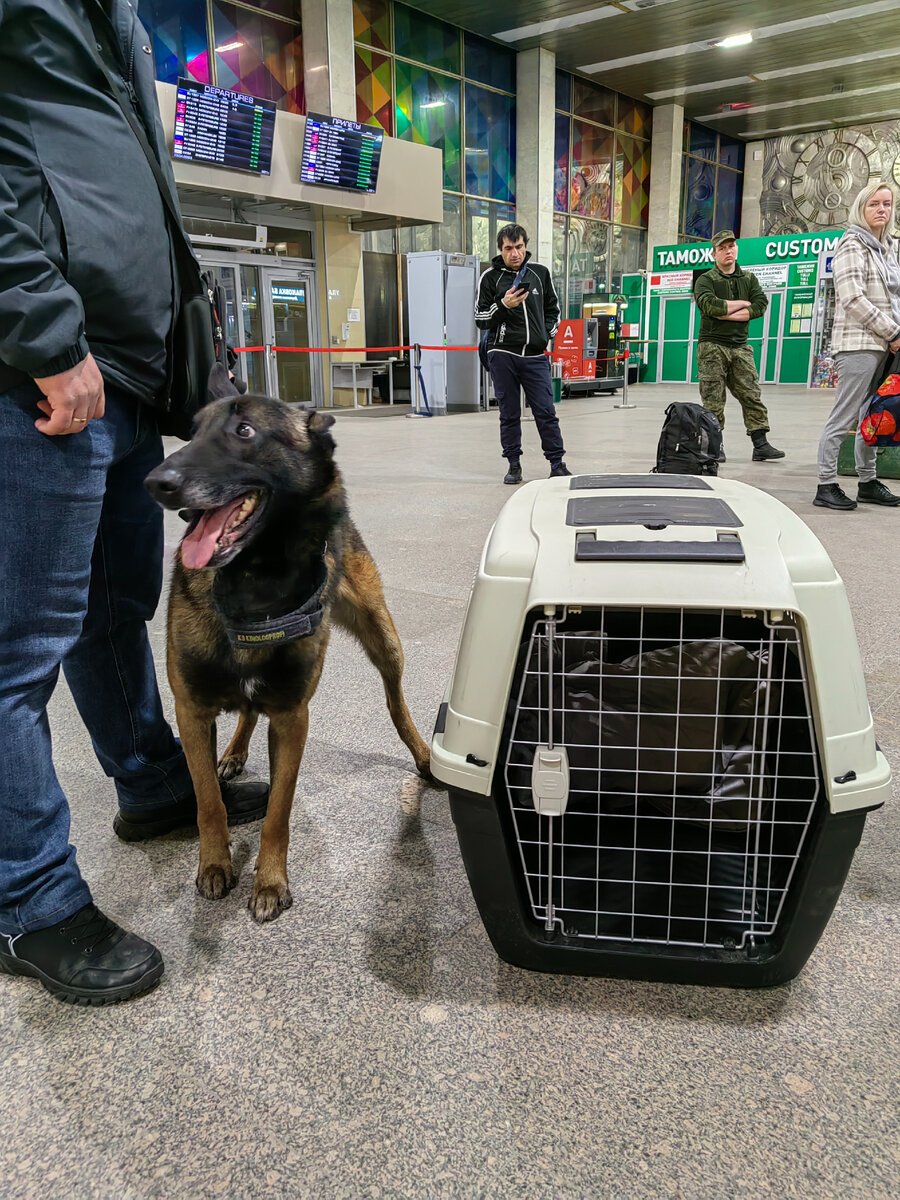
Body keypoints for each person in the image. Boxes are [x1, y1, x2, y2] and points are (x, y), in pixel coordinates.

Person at [0, 0, 266, 1005]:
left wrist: (190, 353)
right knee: (16, 653)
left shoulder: (109, 14)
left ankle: (153, 783)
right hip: (42, 371)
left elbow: (143, 189)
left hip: (121, 374)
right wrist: (40, 329)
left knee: (113, 611)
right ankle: (27, 901)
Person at [814, 181, 900, 510]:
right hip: (858, 344)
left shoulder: (888, 248)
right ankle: (825, 484)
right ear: (860, 209)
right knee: (846, 415)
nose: (882, 209)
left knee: (872, 415)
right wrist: (893, 332)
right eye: (874, 204)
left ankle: (867, 481)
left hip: (886, 344)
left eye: (887, 204)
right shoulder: (852, 243)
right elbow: (853, 298)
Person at [475, 224, 570, 483]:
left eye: (518, 247)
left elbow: (553, 310)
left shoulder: (540, 273)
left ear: (525, 246)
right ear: (500, 250)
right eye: (508, 248)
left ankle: (557, 463)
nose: (514, 253)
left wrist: (545, 334)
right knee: (509, 413)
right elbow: (480, 318)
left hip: (535, 355)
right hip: (502, 353)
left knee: (546, 411)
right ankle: (513, 465)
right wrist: (503, 305)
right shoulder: (490, 278)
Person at [694, 230, 785, 463]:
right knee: (713, 398)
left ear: (736, 249)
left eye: (731, 246)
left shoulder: (749, 279)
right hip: (712, 346)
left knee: (751, 394)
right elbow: (710, 306)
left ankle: (760, 445)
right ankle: (715, 447)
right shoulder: (706, 280)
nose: (728, 251)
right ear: (714, 254)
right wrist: (743, 304)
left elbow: (760, 304)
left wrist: (729, 313)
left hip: (740, 346)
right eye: (722, 248)